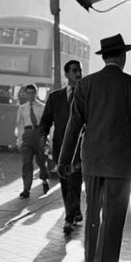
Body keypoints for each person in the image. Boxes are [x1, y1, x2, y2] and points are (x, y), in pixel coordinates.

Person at [58, 34, 131, 262]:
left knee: (92, 211)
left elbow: (74, 125)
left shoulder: (86, 85)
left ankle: (90, 259)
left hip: (91, 160)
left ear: (104, 57)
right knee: (114, 218)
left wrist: (63, 159)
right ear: (123, 56)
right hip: (121, 163)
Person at [39, 60, 83, 235]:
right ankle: (72, 214)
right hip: (60, 146)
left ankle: (71, 215)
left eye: (79, 70)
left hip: (80, 147)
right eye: (74, 71)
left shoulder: (86, 94)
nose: (78, 73)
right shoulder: (55, 97)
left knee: (75, 181)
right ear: (66, 74)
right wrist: (43, 136)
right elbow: (45, 121)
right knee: (65, 181)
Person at [16, 84, 49, 199]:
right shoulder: (22, 108)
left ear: (36, 93)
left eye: (33, 93)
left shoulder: (42, 107)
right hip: (27, 135)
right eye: (28, 93)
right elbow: (20, 125)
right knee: (26, 163)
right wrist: (19, 140)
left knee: (41, 161)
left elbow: (46, 124)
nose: (30, 95)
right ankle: (26, 189)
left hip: (38, 134)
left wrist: (46, 138)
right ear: (25, 94)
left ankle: (44, 180)